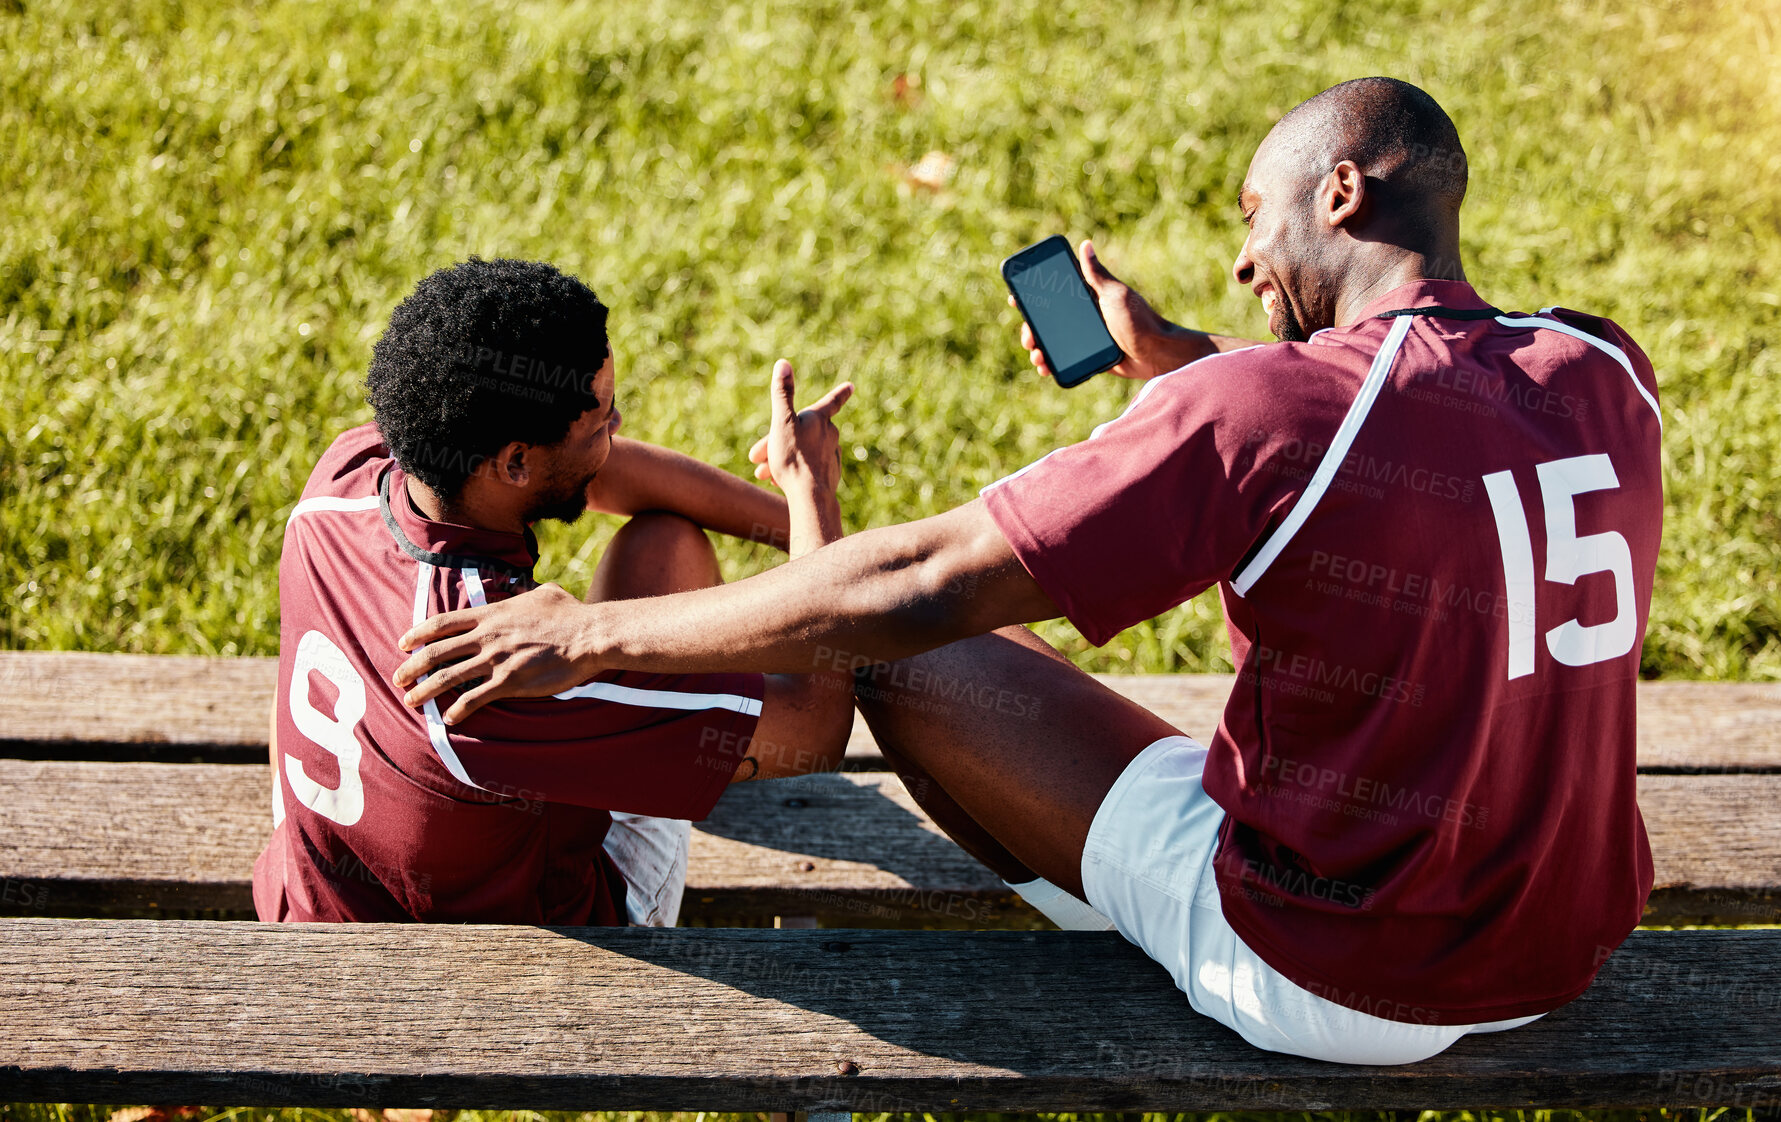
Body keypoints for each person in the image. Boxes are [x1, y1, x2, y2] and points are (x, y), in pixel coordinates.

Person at [391, 79, 1663, 1064]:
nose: (1240, 261)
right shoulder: (1600, 367)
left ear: (1336, 195)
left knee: (922, 664)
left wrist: (592, 637)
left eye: (1248, 217)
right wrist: (1181, 356)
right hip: (1562, 942)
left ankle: (1161, 953)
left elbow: (922, 581)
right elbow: (1417, 406)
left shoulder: (1255, 413)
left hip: (1335, 973)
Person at [253, 256, 856, 927]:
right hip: (503, 984)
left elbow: (592, 474)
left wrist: (790, 533)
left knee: (658, 538)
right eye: (600, 422)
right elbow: (818, 723)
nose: (618, 424)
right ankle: (692, 742)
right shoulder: (506, 675)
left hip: (312, 909)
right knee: (670, 550)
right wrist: (811, 496)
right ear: (514, 462)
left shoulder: (354, 471)